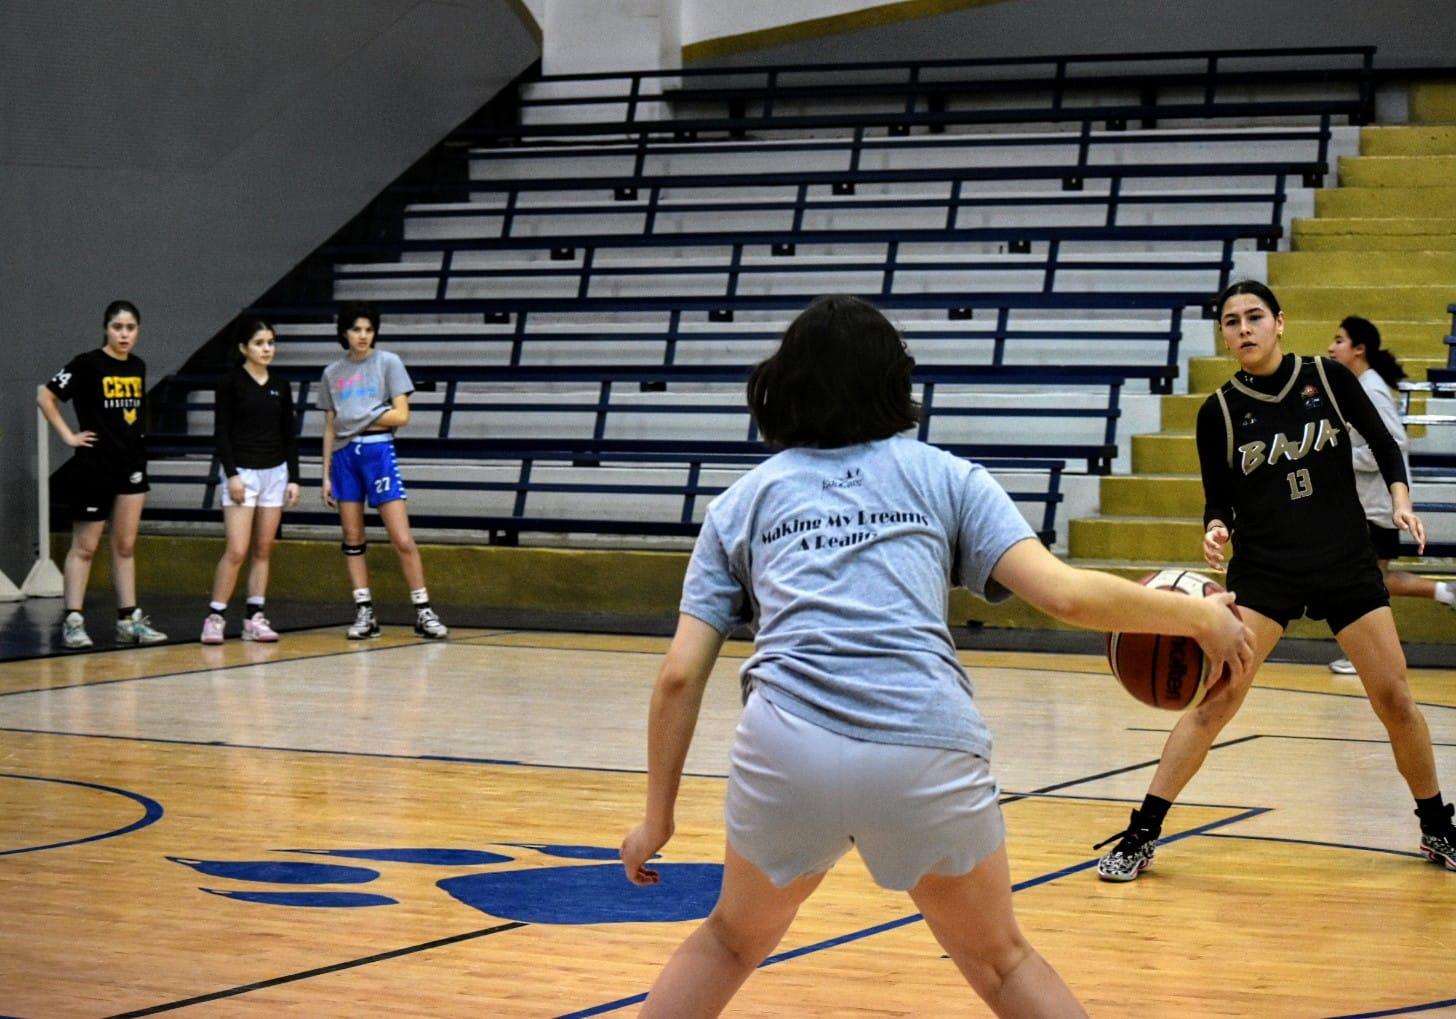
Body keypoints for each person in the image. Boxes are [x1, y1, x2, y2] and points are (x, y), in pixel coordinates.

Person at [619, 295, 1253, 1017]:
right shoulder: (946, 476)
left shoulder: (741, 502)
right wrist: (1198, 617)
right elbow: (1068, 595)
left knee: (730, 942)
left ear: (783, 384)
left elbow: (678, 675)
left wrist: (656, 818)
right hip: (922, 741)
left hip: (786, 746)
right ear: (897, 383)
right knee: (1004, 963)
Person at [1095, 281, 1456, 883]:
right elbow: (1221, 500)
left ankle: (1437, 826)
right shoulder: (1219, 411)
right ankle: (1143, 832)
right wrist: (1215, 529)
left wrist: (1399, 498)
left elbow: (1385, 444)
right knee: (1217, 703)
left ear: (1279, 322)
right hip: (1266, 572)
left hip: (1344, 560)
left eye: (1254, 316)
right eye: (1232, 321)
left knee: (1395, 700)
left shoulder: (1328, 377)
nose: (1244, 328)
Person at [1325, 316, 1455, 674]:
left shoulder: (1371, 390)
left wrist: (1341, 458)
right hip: (1370, 505)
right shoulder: (1363, 385)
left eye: (1339, 340)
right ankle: (1445, 592)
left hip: (1378, 507)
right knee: (1371, 582)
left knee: (1361, 585)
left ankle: (1366, 656)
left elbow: (1394, 444)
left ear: (1359, 349)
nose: (1331, 348)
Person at [39, 300, 168, 649]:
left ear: (137, 331)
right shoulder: (87, 363)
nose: (124, 334)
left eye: (130, 328)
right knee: (85, 546)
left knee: (125, 546)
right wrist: (69, 436)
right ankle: (73, 621)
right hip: (94, 467)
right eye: (117, 327)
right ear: (106, 329)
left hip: (131, 466)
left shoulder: (138, 366)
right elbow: (46, 395)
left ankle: (129, 620)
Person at [319, 301, 447, 640]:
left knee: (401, 536)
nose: (363, 336)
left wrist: (358, 415)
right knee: (352, 536)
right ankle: (365, 611)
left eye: (368, 329)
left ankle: (423, 609)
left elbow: (401, 416)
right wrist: (325, 473)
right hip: (345, 456)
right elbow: (332, 426)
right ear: (344, 333)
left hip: (378, 451)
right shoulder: (332, 373)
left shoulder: (388, 363)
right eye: (356, 329)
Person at [201, 319, 301, 644]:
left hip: (275, 472)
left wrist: (294, 478)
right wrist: (231, 475)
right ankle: (215, 617)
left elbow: (289, 434)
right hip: (242, 472)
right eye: (259, 343)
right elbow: (222, 434)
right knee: (237, 549)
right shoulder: (230, 383)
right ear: (244, 348)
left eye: (271, 342)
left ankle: (253, 617)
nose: (267, 348)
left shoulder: (281, 386)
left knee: (262, 549)